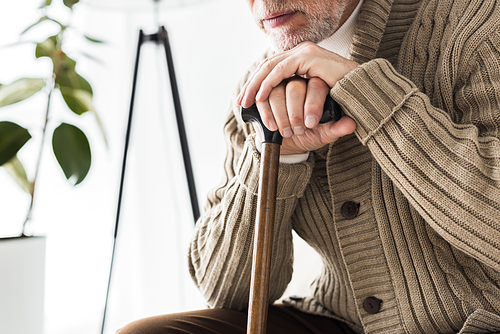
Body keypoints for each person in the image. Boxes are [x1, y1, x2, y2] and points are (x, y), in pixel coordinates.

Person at [118, 0, 500, 333]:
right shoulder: (260, 91)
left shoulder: (475, 26)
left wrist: (371, 96)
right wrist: (278, 155)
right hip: (340, 320)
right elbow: (224, 291)